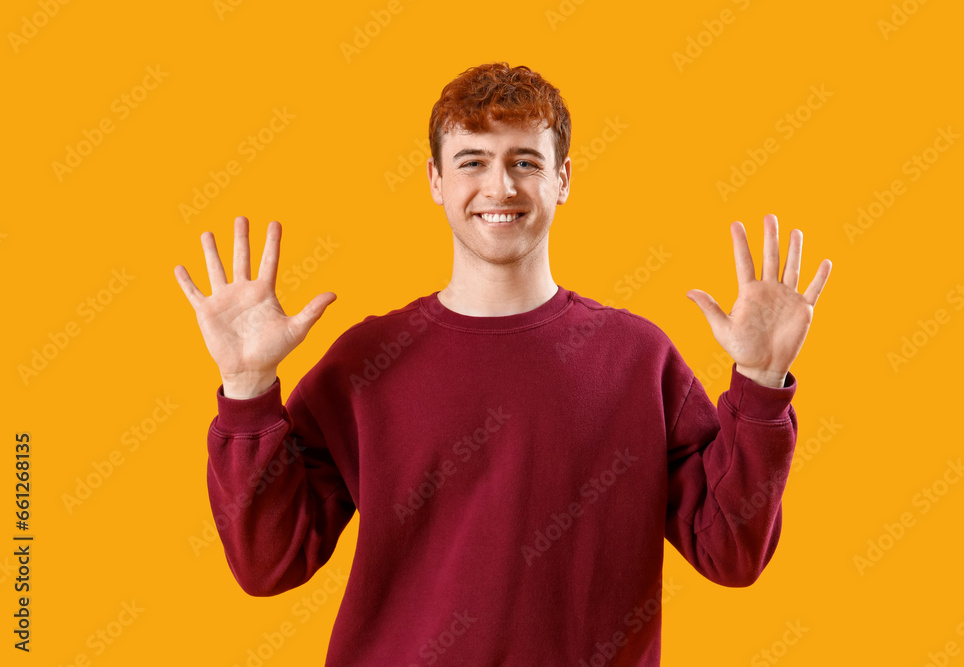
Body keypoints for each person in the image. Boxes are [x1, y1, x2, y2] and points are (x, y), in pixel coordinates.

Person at [173, 62, 831, 666]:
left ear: (563, 179)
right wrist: (248, 388)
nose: (500, 185)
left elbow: (730, 552)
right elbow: (268, 564)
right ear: (435, 181)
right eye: (472, 161)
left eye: (524, 161)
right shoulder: (366, 362)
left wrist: (760, 385)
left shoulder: (637, 359)